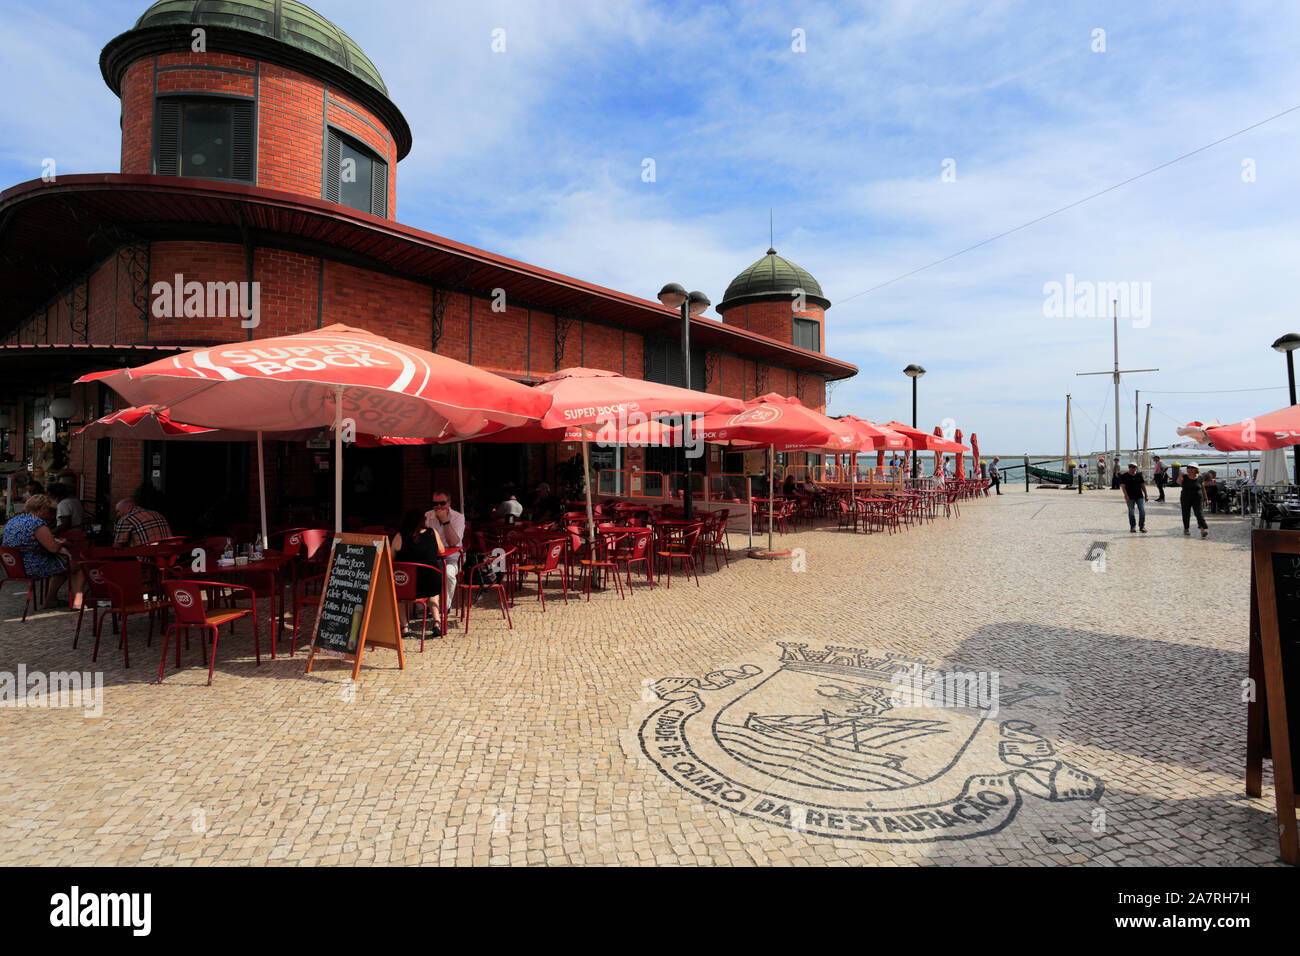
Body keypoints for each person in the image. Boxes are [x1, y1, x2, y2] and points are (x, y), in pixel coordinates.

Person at [2, 494, 71, 609]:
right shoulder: (37, 523)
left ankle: (52, 599)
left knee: (60, 562)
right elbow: (53, 548)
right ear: (43, 508)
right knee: (72, 566)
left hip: (14, 566)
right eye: (49, 510)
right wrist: (62, 542)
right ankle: (59, 600)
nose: (50, 514)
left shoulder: (13, 521)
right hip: (32, 567)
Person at [392, 508, 446, 635]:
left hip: (408, 587)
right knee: (433, 583)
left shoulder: (400, 536)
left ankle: (404, 627)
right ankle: (437, 621)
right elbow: (441, 551)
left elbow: (390, 558)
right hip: (430, 585)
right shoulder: (432, 533)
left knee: (398, 590)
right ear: (423, 520)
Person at [425, 490, 465, 611]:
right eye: (435, 504)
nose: (438, 507)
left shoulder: (458, 517)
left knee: (448, 574)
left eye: (442, 503)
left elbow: (453, 543)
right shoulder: (428, 516)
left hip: (451, 558)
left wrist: (445, 521)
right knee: (420, 571)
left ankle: (444, 607)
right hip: (432, 556)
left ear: (449, 503)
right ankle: (423, 606)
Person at [1175, 464, 1209, 537]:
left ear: (1196, 469)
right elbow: (1178, 482)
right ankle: (1186, 529)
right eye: (1188, 468)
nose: (1189, 469)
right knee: (1186, 513)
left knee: (1199, 513)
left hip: (1197, 498)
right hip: (1185, 497)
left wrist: (1206, 499)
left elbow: (1203, 488)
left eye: (1191, 468)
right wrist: (1180, 475)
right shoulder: (1184, 477)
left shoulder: (1200, 478)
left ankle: (1202, 530)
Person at [1118, 462, 1148, 533]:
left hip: (1139, 496)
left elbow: (1142, 485)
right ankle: (1133, 526)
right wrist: (1126, 496)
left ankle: (1142, 526)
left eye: (1134, 467)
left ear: (1136, 468)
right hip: (1130, 497)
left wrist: (1146, 495)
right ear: (1129, 468)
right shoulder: (1124, 476)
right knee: (1131, 512)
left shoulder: (1139, 475)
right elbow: (1123, 487)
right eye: (1131, 467)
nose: (1133, 468)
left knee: (1142, 510)